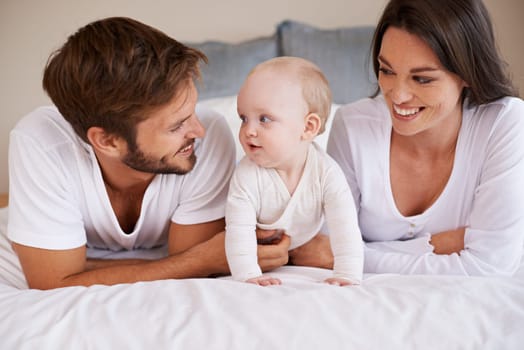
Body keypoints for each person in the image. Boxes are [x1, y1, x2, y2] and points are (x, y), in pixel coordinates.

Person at [7, 17, 290, 290]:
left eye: (192, 111)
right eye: (177, 125)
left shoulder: (210, 137)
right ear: (107, 140)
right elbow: (51, 283)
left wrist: (77, 270)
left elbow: (187, 268)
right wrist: (200, 260)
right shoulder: (41, 143)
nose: (198, 130)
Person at [315, 0, 524, 276]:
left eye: (422, 79)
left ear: (467, 74)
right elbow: (326, 247)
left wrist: (360, 253)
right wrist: (442, 243)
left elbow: (490, 265)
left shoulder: (504, 123)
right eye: (387, 71)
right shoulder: (352, 127)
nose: (397, 95)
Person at [225, 57, 364, 286]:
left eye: (264, 119)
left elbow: (345, 228)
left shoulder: (326, 173)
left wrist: (347, 274)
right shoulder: (246, 175)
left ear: (308, 127)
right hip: (263, 251)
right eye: (243, 118)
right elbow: (239, 232)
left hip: (306, 247)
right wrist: (248, 275)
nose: (249, 130)